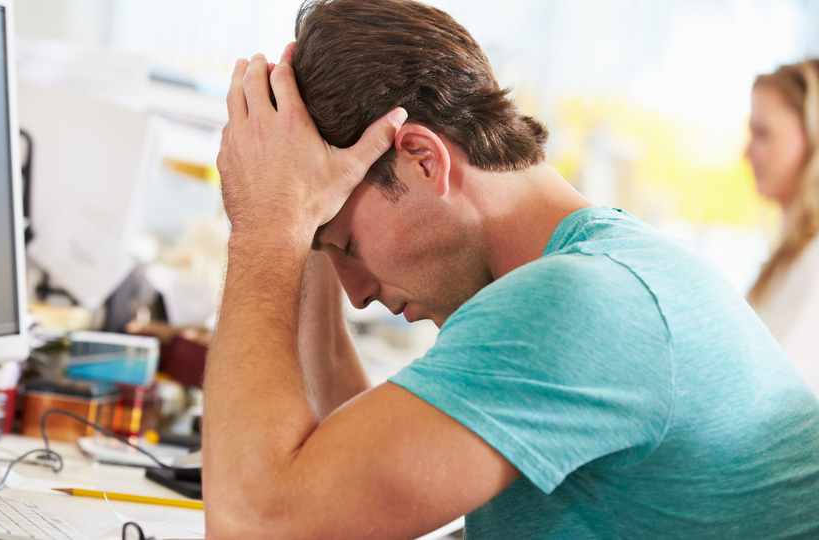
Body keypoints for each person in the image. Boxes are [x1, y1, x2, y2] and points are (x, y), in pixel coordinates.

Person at [203, 1, 819, 538]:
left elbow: (257, 525)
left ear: (423, 160)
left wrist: (268, 224)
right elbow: (354, 485)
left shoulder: (582, 303)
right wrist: (301, 221)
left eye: (350, 246)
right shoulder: (609, 268)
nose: (357, 295)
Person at [745, 59, 819, 395]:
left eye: (763, 134)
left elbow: (772, 395)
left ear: (811, 140)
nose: (746, 152)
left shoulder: (814, 259)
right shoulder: (788, 254)